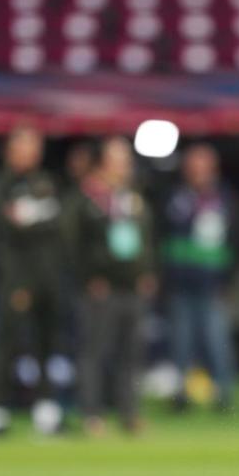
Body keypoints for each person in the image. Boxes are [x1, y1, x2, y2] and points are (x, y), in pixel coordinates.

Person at [63, 136, 156, 434]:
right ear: (103, 162)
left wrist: (147, 271)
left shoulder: (132, 196)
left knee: (130, 353)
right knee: (94, 352)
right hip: (99, 288)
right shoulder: (86, 198)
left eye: (126, 158)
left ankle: (129, 413)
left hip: (131, 286)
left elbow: (146, 237)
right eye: (118, 158)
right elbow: (71, 243)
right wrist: (88, 277)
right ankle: (93, 414)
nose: (125, 164)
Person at [0, 126, 69, 434]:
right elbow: (8, 227)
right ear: (11, 150)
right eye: (24, 146)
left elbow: (58, 224)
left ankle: (45, 411)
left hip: (47, 275)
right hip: (15, 277)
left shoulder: (45, 181)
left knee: (46, 344)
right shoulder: (0, 183)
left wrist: (31, 221)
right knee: (8, 344)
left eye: (35, 146)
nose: (30, 153)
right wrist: (36, 222)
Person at [162, 143, 239, 410]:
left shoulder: (226, 200)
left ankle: (224, 394)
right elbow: (161, 237)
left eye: (203, 166)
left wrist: (231, 279)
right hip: (181, 283)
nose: (199, 172)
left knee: (217, 340)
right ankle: (180, 394)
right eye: (194, 166)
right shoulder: (174, 199)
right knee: (181, 342)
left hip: (214, 284)